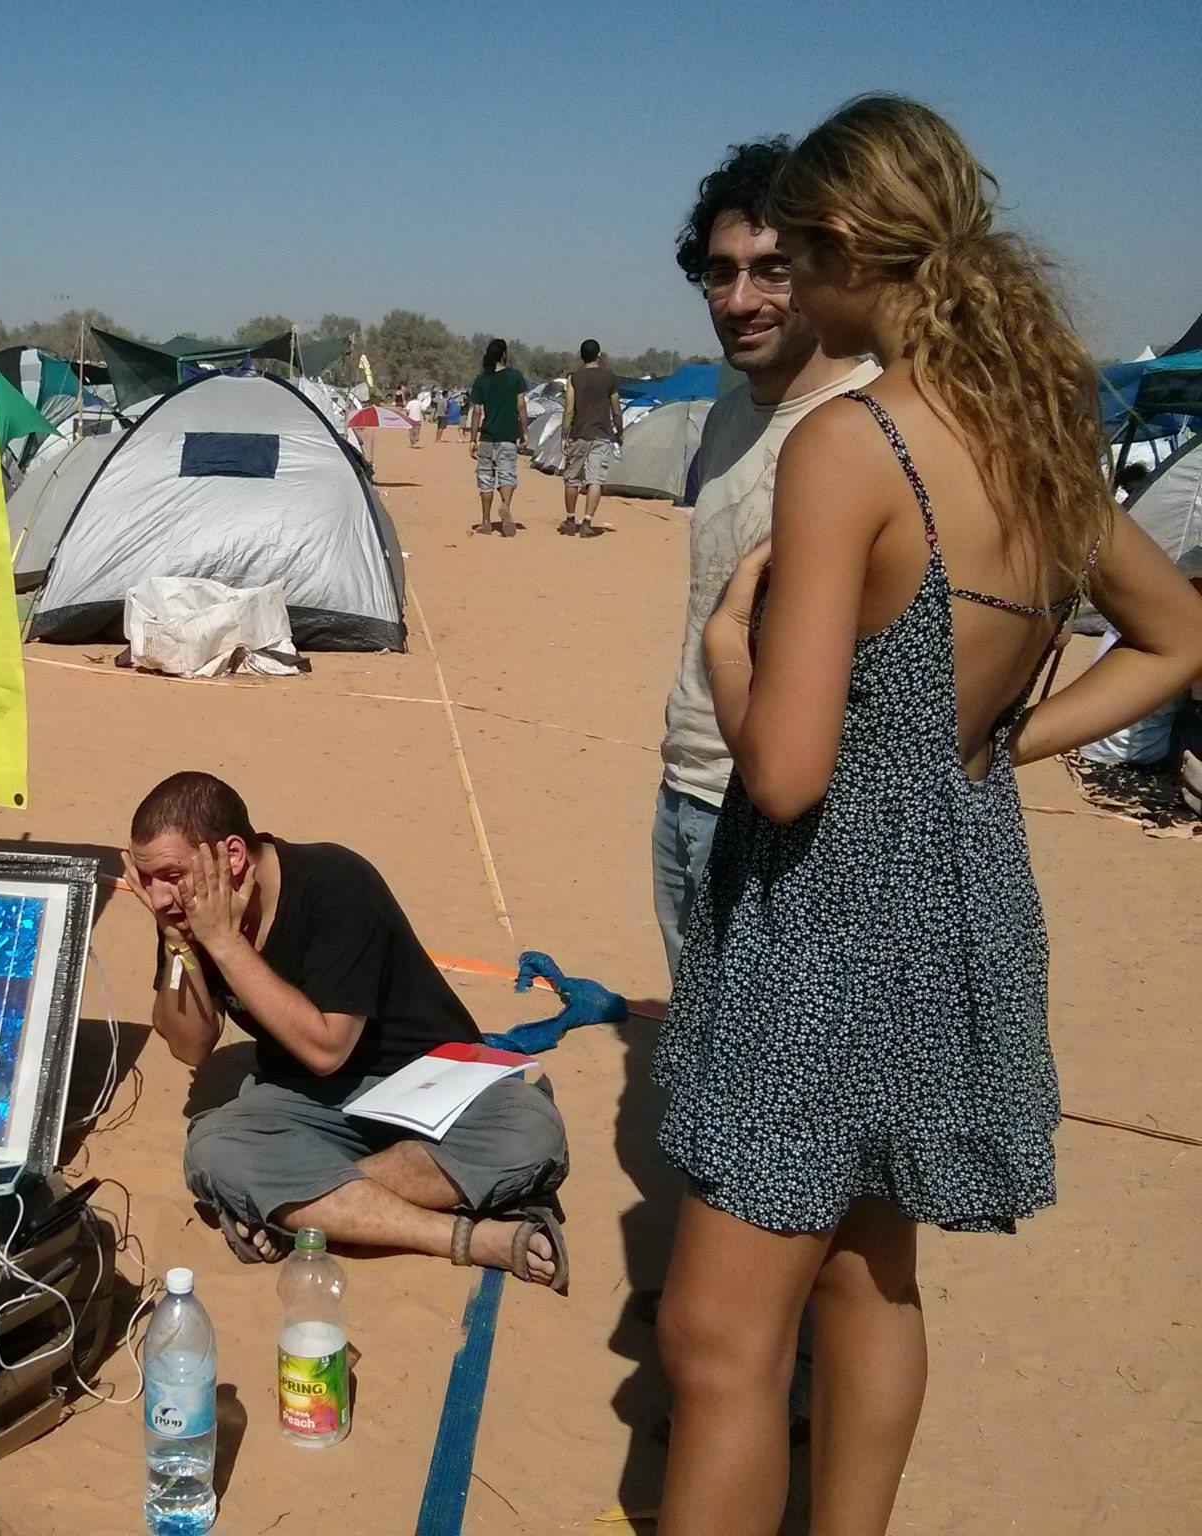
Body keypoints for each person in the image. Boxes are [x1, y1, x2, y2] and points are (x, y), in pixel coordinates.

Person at [651, 96, 1202, 1536]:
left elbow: (782, 773)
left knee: (717, 1343)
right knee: (867, 1276)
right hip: (954, 903)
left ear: (841, 250)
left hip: (824, 921)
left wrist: (729, 654)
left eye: (794, 254)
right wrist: (996, 742)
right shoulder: (1031, 442)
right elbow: (1174, 634)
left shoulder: (853, 442)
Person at [122, 771, 571, 1286]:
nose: (156, 897)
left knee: (529, 1130)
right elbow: (190, 1045)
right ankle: (461, 1237)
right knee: (213, 1151)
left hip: (427, 1081)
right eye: (145, 877)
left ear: (232, 856)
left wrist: (226, 945)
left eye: (169, 875)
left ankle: (303, 1212)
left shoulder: (336, 885)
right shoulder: (191, 910)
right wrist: (181, 946)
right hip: (309, 1102)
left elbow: (327, 1048)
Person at [652, 138, 881, 980]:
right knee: (698, 1043)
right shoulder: (721, 423)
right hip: (687, 782)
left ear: (826, 268)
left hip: (790, 818)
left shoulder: (874, 427)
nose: (740, 299)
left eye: (772, 269)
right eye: (720, 272)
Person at [559, 340, 622, 536]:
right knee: (595, 480)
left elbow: (569, 409)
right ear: (599, 355)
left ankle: (570, 519)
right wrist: (620, 431)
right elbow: (616, 410)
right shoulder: (610, 378)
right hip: (601, 434)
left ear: (581, 355)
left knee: (572, 478)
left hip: (579, 433)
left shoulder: (574, 378)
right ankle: (587, 522)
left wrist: (564, 434)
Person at [467, 339, 529, 535]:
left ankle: (486, 521)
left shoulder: (481, 380)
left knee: (485, 479)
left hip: (487, 437)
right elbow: (521, 406)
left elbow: (477, 411)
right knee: (507, 475)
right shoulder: (515, 377)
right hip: (508, 436)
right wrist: (524, 432)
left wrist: (473, 439)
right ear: (504, 355)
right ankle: (505, 506)